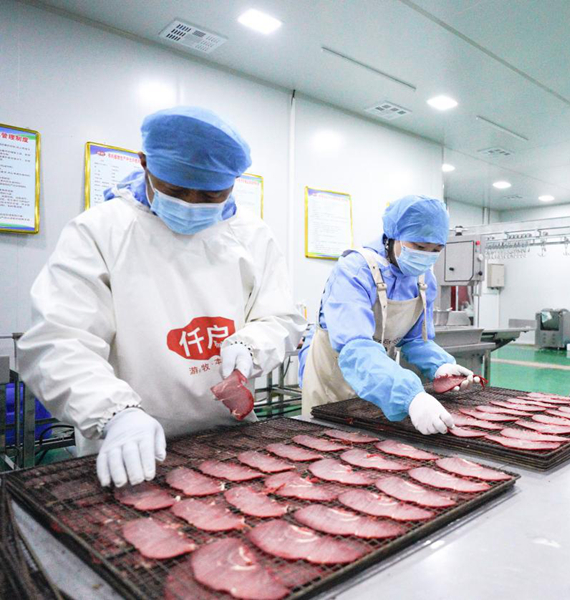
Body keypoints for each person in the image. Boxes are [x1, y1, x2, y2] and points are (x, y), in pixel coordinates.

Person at [18, 106, 305, 487]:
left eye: (210, 195)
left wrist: (252, 345)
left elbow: (280, 317)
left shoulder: (251, 235)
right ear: (144, 164)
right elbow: (59, 340)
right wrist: (115, 413)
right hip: (126, 445)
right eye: (176, 190)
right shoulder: (101, 231)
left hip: (228, 439)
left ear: (234, 183)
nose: (191, 204)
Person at [298, 195, 476, 434]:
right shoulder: (355, 270)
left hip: (381, 383)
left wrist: (439, 365)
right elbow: (355, 347)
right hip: (334, 381)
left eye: (436, 250)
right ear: (394, 236)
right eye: (419, 247)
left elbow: (415, 339)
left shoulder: (423, 279)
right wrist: (408, 395)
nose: (426, 256)